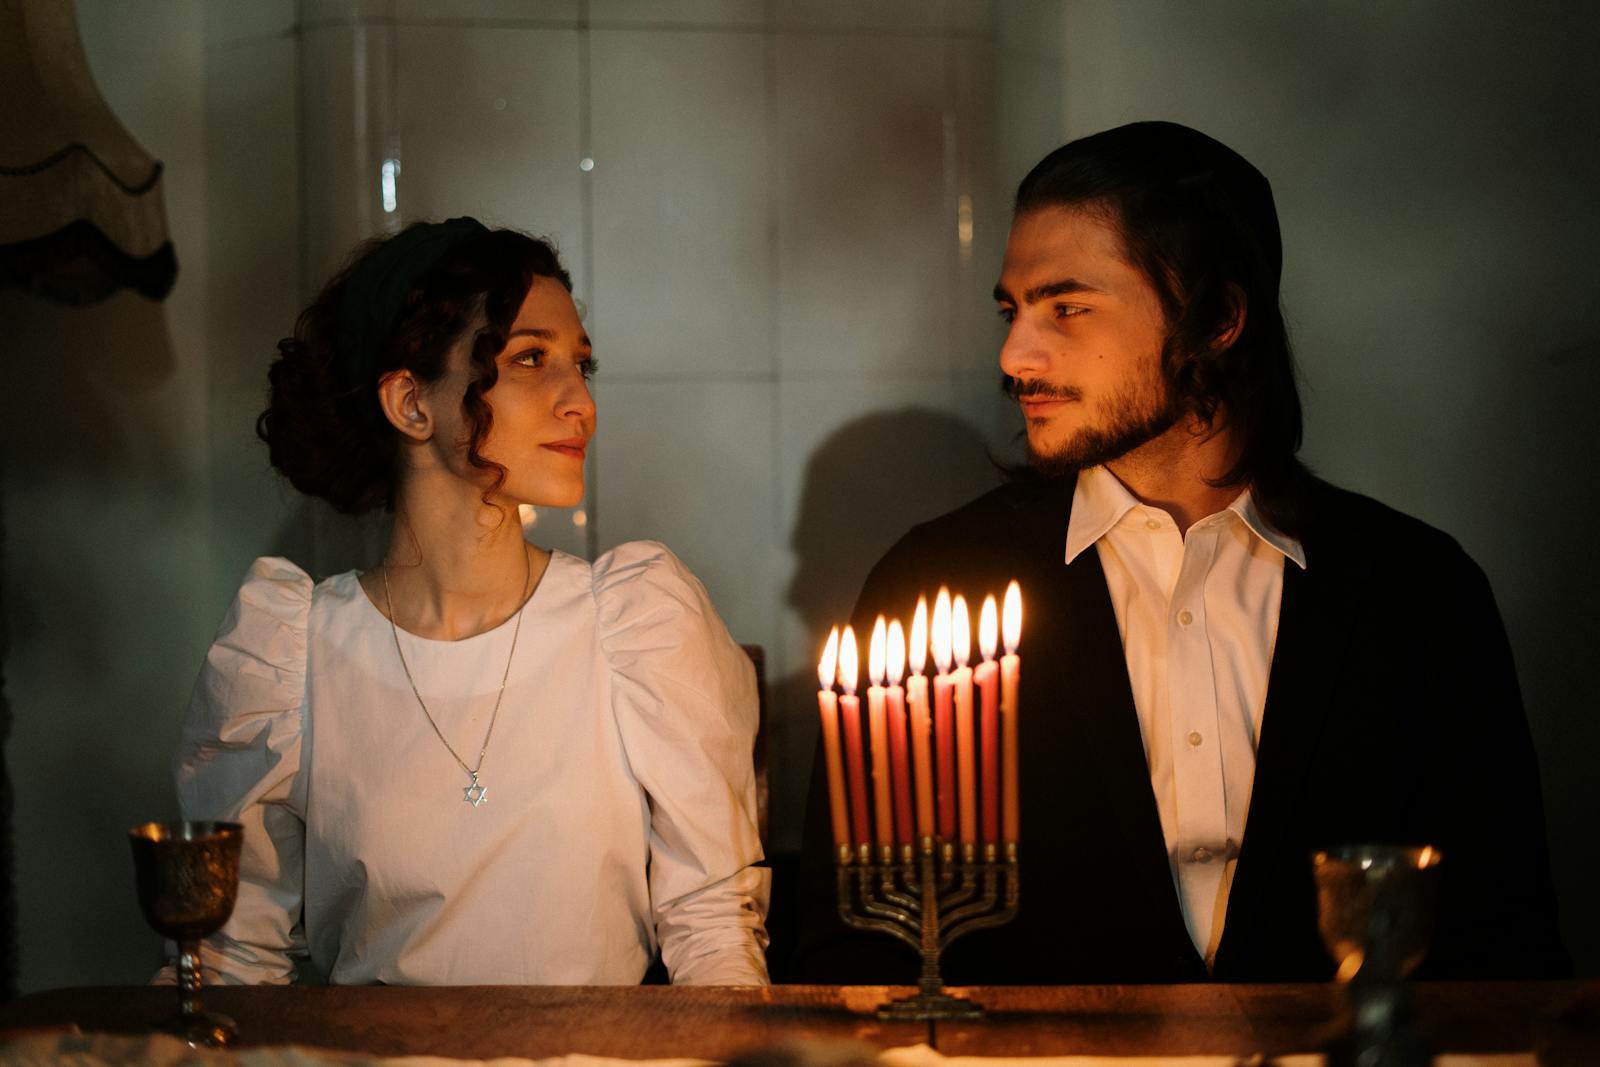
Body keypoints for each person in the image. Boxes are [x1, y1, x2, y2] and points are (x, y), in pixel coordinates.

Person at [792, 122, 1567, 983]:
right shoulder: (937, 585)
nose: (1015, 357)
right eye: (1013, 311)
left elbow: (1505, 943)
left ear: (1220, 319)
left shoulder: (1415, 592)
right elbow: (850, 945)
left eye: (1068, 306)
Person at [174, 218, 769, 986]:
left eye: (582, 366)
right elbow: (229, 963)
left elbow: (716, 935)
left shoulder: (636, 622)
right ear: (411, 403)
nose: (580, 403)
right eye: (530, 359)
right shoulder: (286, 655)